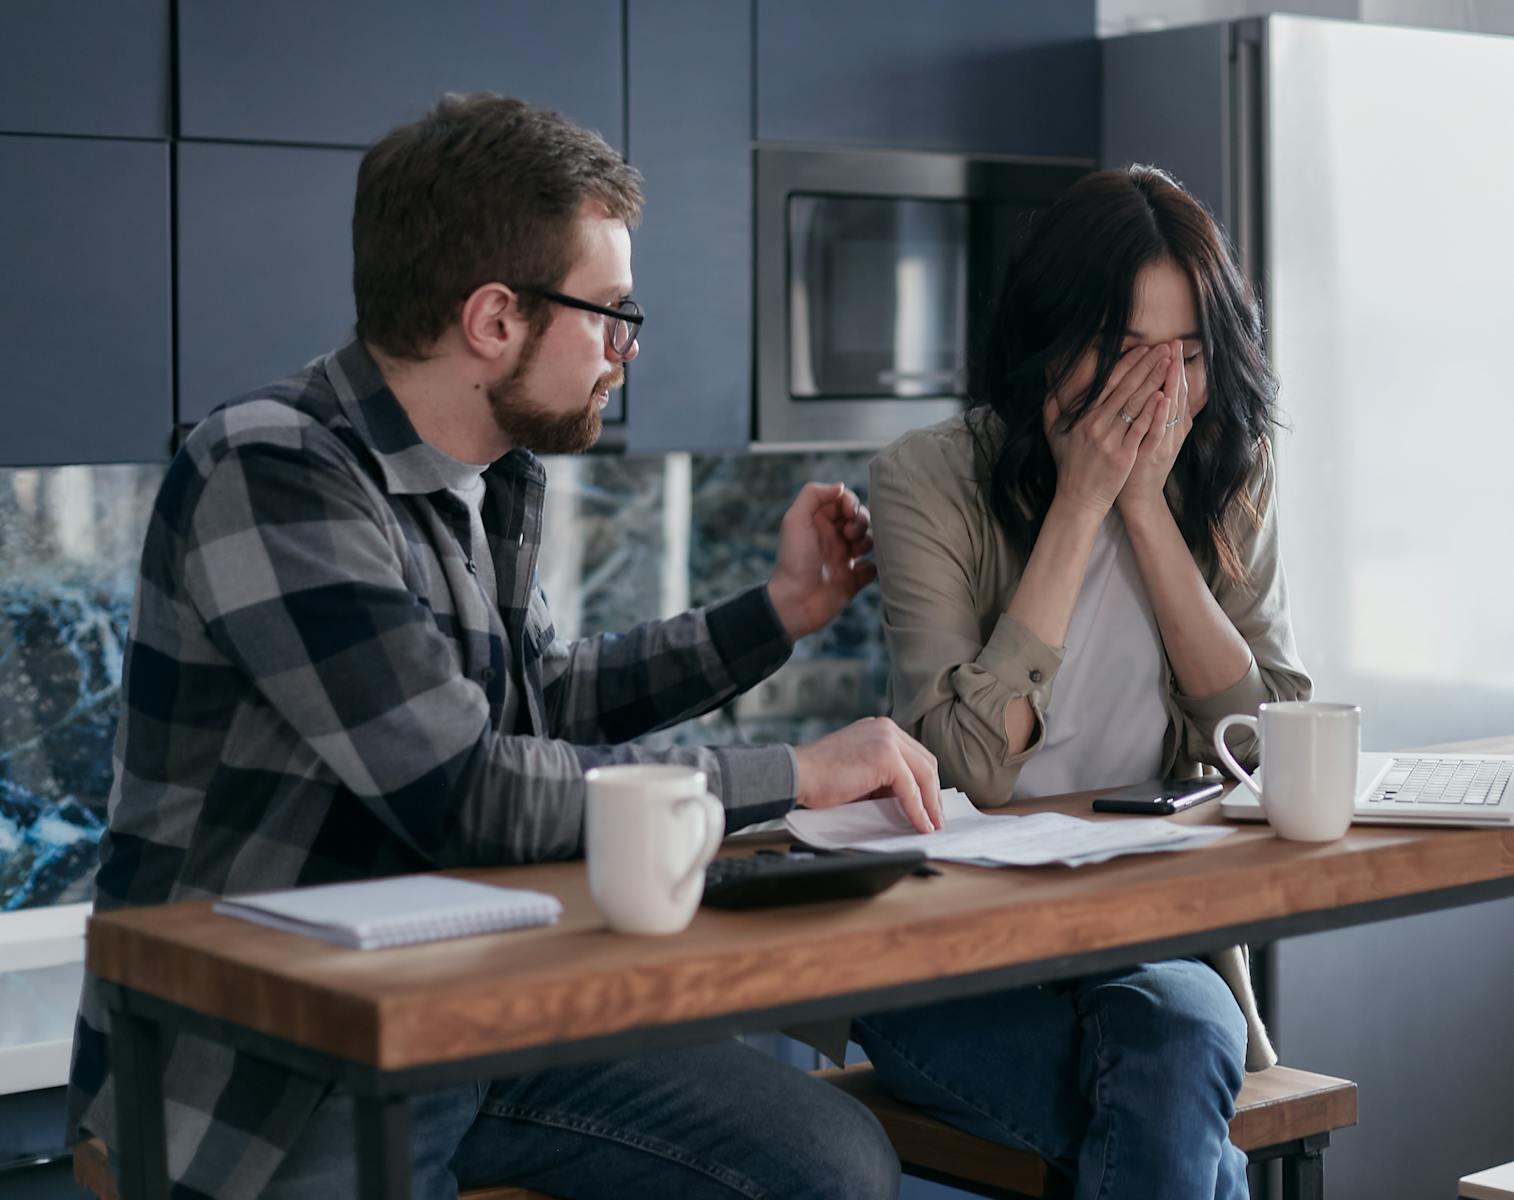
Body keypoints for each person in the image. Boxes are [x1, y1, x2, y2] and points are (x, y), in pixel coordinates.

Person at [66, 92, 945, 1200]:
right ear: (493, 319)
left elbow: (533, 702)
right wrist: (800, 776)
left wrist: (772, 613)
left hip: (473, 1001)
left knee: (827, 1159)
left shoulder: (489, 478)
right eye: (612, 312)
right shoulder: (271, 469)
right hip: (275, 1061)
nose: (624, 350)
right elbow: (465, 789)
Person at [859, 164, 1312, 1198]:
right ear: (1048, 347)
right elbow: (964, 768)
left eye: (1188, 355)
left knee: (1180, 1037)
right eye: (1122, 355)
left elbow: (1273, 738)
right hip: (951, 948)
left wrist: (1145, 513)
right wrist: (1077, 509)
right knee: (1179, 1103)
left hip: (1146, 941)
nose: (1161, 390)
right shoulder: (925, 479)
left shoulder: (1223, 470)